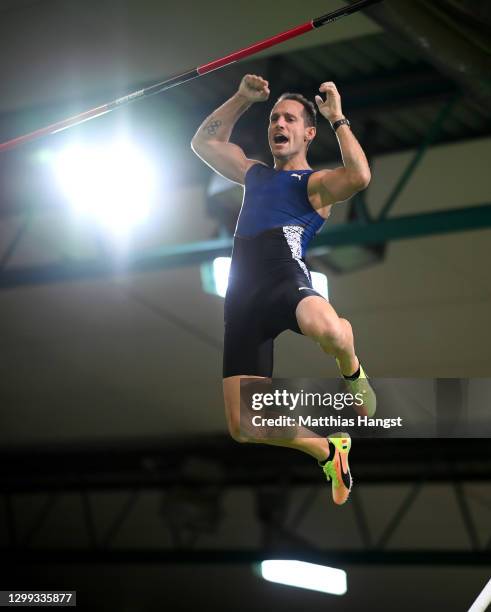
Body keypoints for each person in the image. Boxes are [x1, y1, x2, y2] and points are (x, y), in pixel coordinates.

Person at [191, 74, 376, 505]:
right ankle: (328, 450)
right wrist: (240, 98)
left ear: (308, 133)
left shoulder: (315, 186)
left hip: (283, 280)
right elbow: (202, 144)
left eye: (290, 118)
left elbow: (361, 176)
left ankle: (353, 371)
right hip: (242, 302)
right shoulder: (253, 174)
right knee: (244, 426)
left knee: (329, 331)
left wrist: (338, 117)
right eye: (275, 117)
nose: (279, 124)